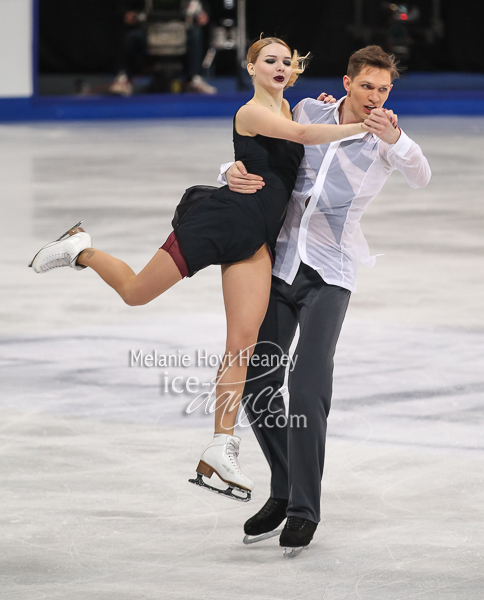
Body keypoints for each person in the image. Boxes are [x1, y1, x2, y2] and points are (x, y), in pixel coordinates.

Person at [29, 38, 370, 503]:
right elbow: (303, 140)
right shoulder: (252, 111)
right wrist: (360, 127)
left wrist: (334, 112)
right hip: (224, 219)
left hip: (257, 241)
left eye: (287, 62)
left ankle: (222, 444)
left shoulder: (296, 109)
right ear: (251, 67)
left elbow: (304, 139)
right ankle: (80, 249)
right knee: (135, 292)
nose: (280, 66)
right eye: (270, 60)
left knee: (242, 345)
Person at [220, 45, 431, 556]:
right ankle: (283, 484)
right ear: (346, 83)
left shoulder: (384, 139)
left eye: (383, 90)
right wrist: (228, 167)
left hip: (331, 274)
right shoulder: (310, 112)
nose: (374, 98)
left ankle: (302, 509)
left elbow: (421, 174)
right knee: (258, 380)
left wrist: (398, 138)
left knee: (308, 386)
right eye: (366, 87)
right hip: (280, 263)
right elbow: (263, 144)